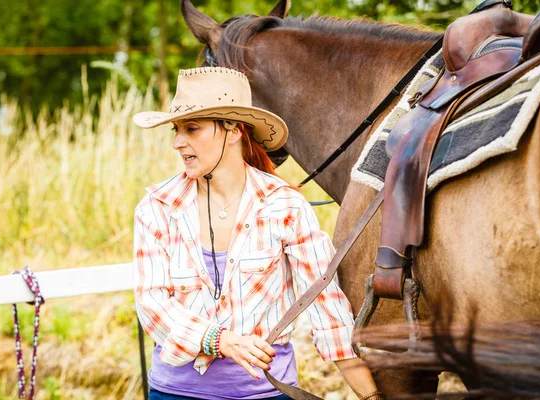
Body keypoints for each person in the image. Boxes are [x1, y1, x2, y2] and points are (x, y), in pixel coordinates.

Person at [132, 67, 382, 400]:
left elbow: (327, 312)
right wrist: (219, 340)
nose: (178, 142)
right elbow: (151, 304)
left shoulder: (285, 206)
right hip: (174, 393)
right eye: (176, 130)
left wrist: (371, 396)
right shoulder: (157, 207)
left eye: (191, 129)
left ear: (232, 130)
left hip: (264, 393)